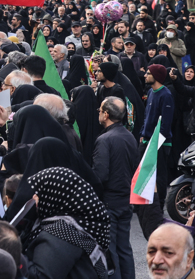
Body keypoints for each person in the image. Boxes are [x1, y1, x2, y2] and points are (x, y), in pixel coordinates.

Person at [22, 167, 111, 279]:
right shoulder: (76, 223)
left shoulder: (61, 233)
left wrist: (15, 255)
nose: (34, 197)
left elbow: (41, 276)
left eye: (39, 192)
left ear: (54, 196)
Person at [92, 96, 139, 279]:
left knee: (110, 250)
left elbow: (100, 175)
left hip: (109, 202)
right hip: (126, 199)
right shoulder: (129, 136)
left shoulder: (105, 139)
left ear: (106, 114)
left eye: (100, 110)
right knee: (124, 247)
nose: (99, 113)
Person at [142, 64, 175, 201]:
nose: (145, 75)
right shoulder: (150, 92)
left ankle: (160, 204)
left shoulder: (166, 95)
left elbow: (166, 123)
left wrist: (157, 143)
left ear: (156, 77)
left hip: (160, 143)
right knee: (145, 174)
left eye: (148, 73)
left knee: (159, 175)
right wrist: (142, 134)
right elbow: (147, 116)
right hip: (146, 140)